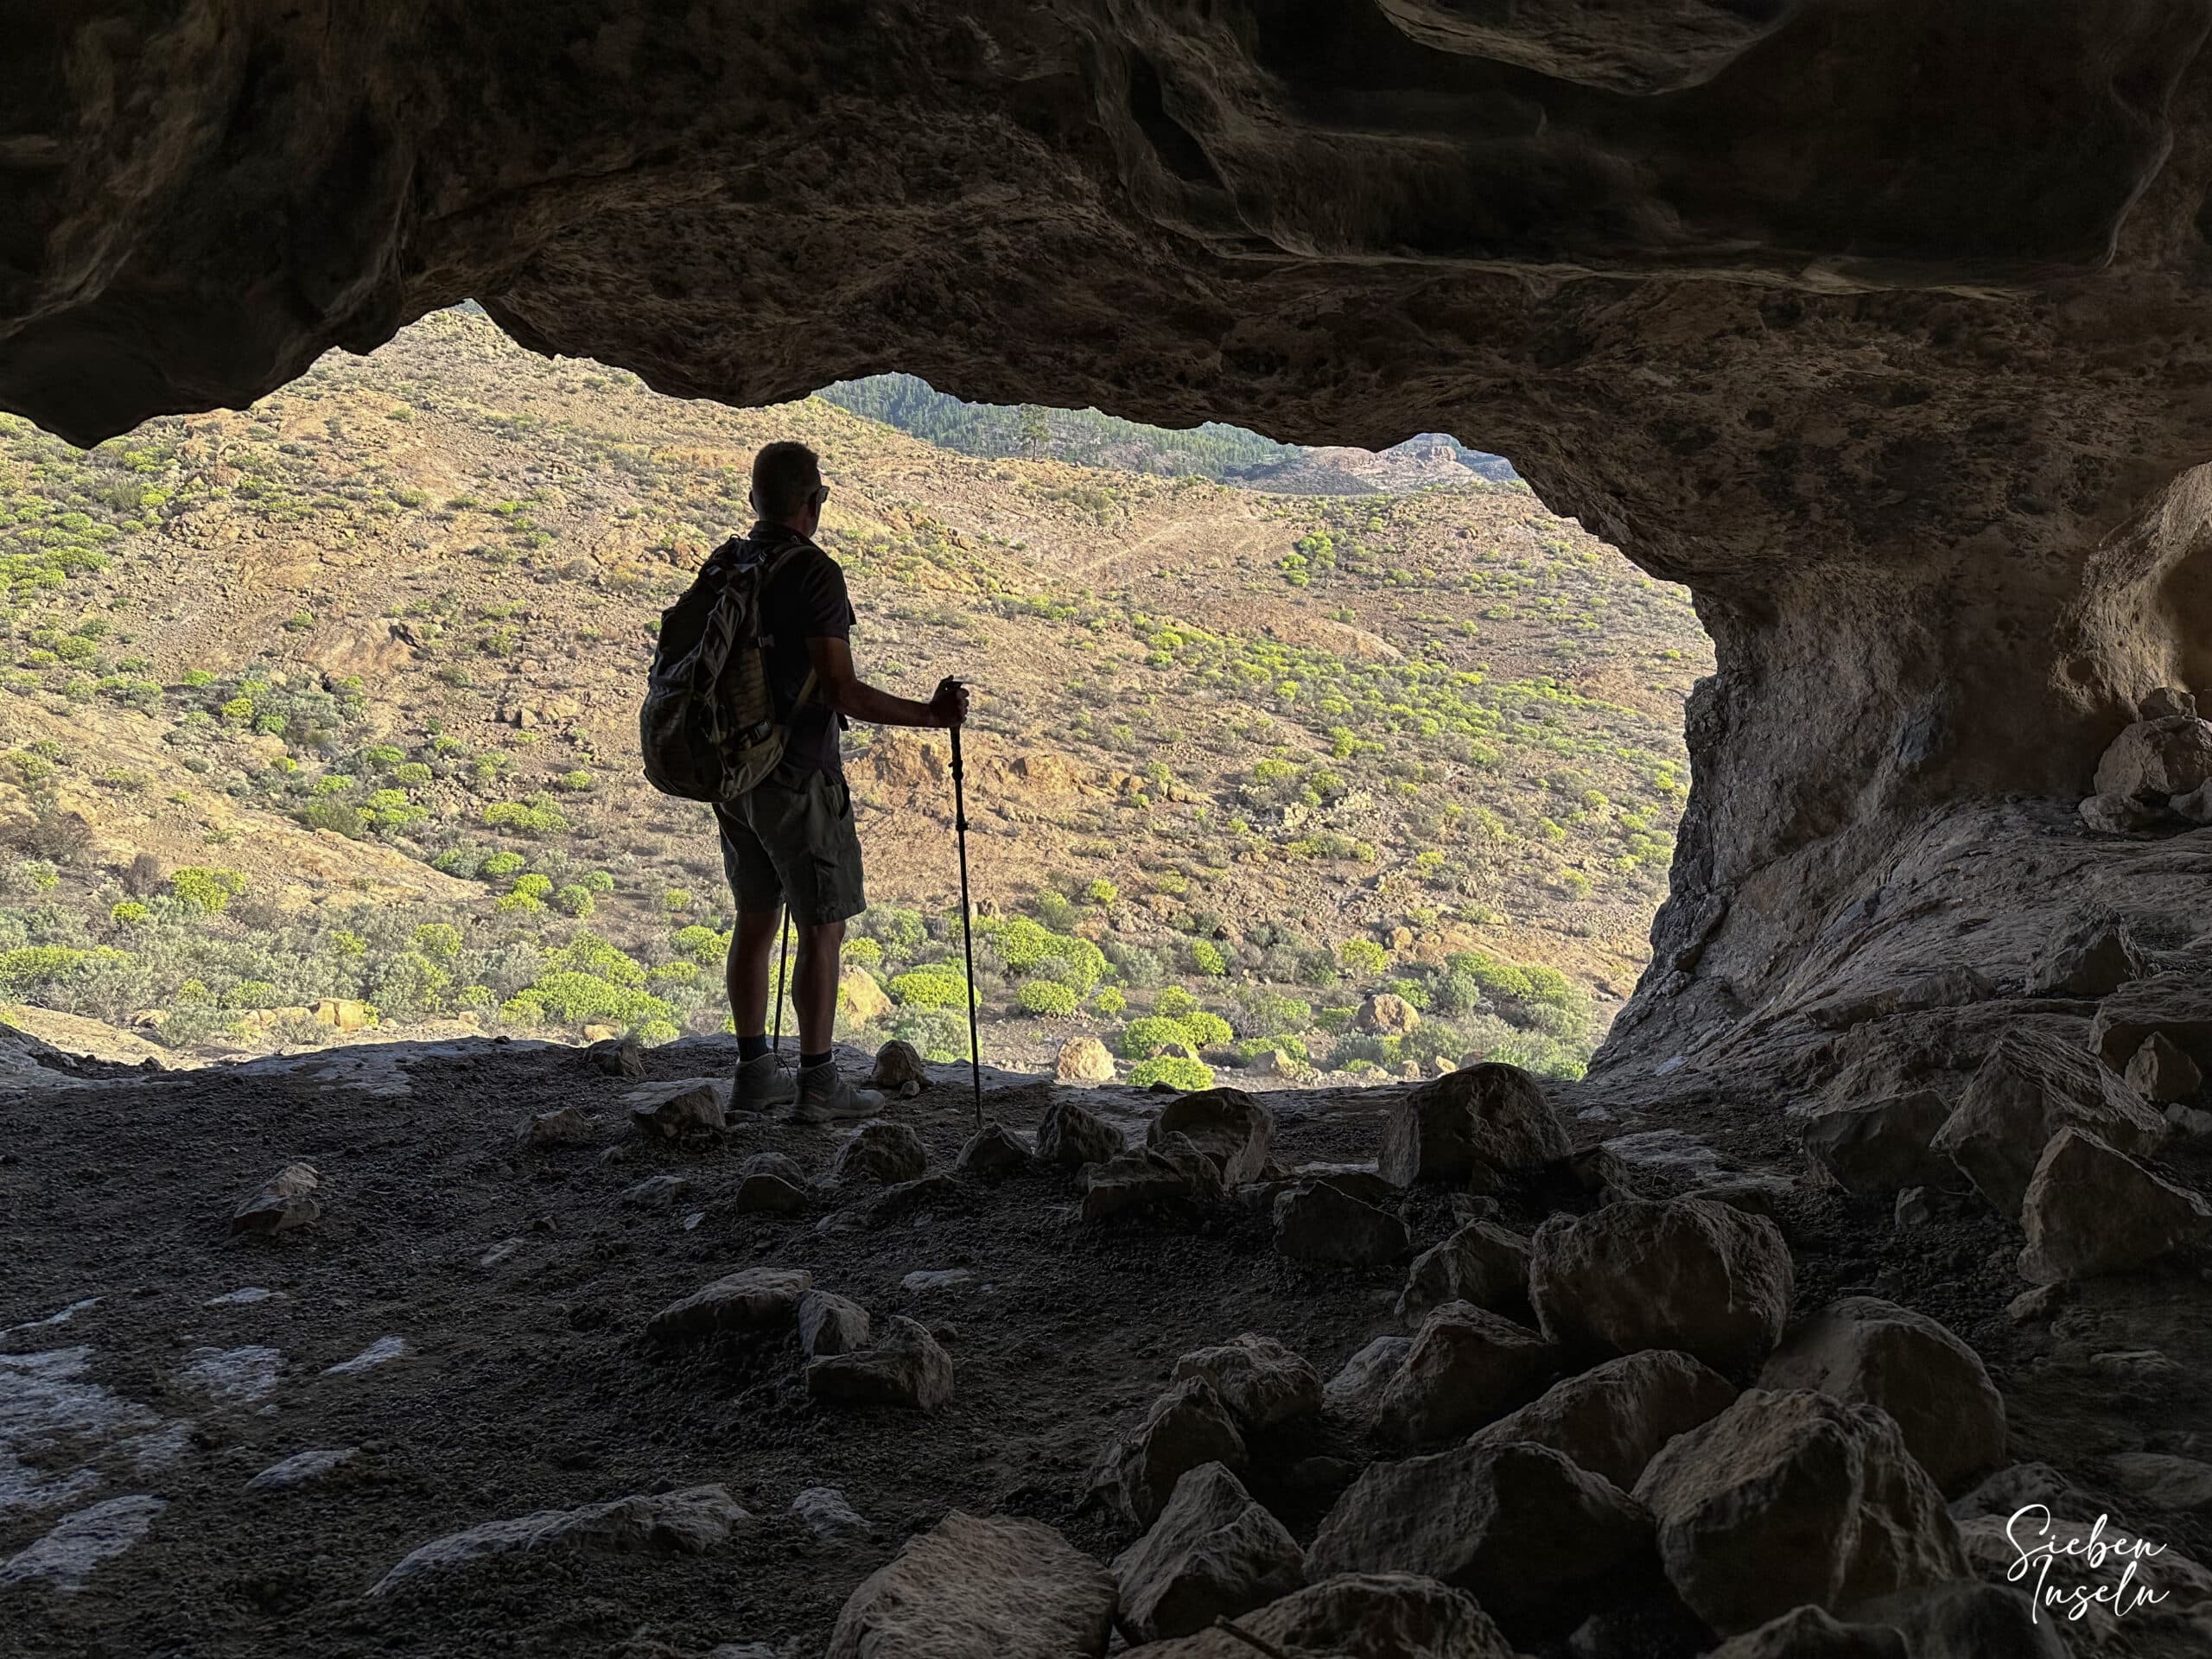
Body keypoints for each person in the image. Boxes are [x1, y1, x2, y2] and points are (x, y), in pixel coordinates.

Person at [720, 441, 968, 1121]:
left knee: (755, 919)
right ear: (815, 502)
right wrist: (931, 715)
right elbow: (839, 689)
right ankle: (819, 1083)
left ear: (755, 500)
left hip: (735, 772)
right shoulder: (814, 575)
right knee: (822, 925)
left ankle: (753, 1075)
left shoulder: (734, 562)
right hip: (797, 775)